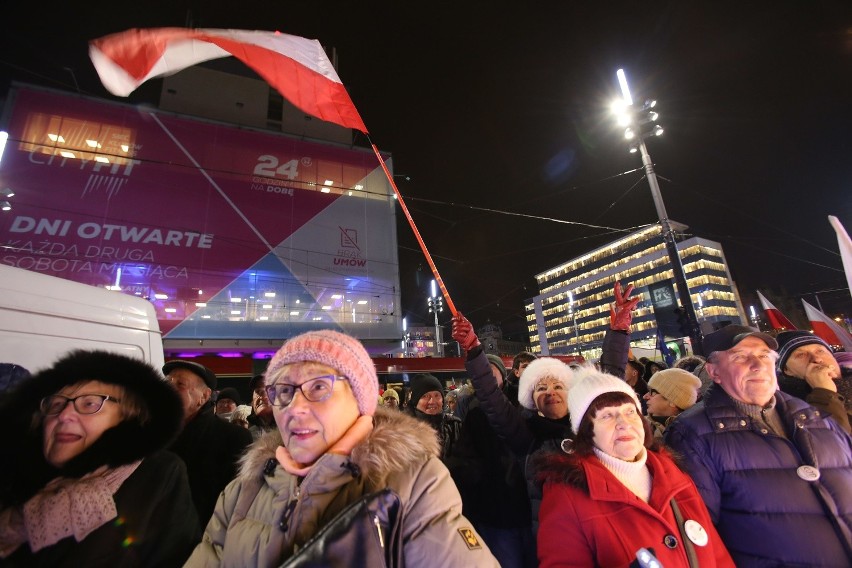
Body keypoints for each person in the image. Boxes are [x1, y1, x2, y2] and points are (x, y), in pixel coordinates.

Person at [185, 329, 498, 566]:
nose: (295, 407)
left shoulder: (414, 482)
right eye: (283, 391)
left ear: (360, 399)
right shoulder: (242, 492)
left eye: (318, 387)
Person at [451, 281, 636, 535]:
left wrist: (618, 333)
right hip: (552, 538)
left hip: (608, 531)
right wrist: (474, 349)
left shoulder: (590, 425)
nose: (550, 391)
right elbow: (492, 398)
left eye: (557, 385)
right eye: (540, 388)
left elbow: (611, 384)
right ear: (531, 400)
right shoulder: (526, 435)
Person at [665, 325, 852, 566]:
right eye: (740, 357)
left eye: (764, 355)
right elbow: (699, 535)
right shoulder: (692, 435)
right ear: (714, 372)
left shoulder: (818, 418)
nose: (757, 365)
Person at [0, 350, 199, 566]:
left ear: (129, 416)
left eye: (89, 403)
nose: (64, 415)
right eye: (56, 404)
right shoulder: (18, 479)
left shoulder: (157, 476)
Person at [536, 367, 734, 567]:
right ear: (588, 433)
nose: (624, 423)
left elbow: (717, 554)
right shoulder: (565, 494)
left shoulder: (672, 472)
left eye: (630, 411)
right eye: (607, 416)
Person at [446, 353, 535, 567]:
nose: (488, 375)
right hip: (496, 510)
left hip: (529, 506)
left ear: (503, 375)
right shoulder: (473, 412)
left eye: (492, 370)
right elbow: (465, 459)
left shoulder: (525, 405)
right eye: (484, 372)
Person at [163, 360, 253, 527]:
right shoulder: (152, 436)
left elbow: (238, 503)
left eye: (180, 384)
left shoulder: (234, 437)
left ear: (204, 396)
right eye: (167, 383)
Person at [775, 330, 850, 433]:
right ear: (787, 370)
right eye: (801, 355)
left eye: (820, 351)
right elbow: (836, 443)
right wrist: (824, 393)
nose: (817, 359)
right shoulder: (788, 408)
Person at [404, 373, 462, 461]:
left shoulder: (455, 426)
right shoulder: (402, 430)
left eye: (437, 395)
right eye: (425, 396)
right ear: (416, 401)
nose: (432, 401)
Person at [643, 368, 701, 438]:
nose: (645, 396)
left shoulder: (693, 435)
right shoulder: (638, 427)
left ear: (672, 402)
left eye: (653, 392)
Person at [246, 373, 275, 440]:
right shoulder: (247, 435)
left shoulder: (288, 432)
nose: (263, 397)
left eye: (268, 390)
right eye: (258, 391)